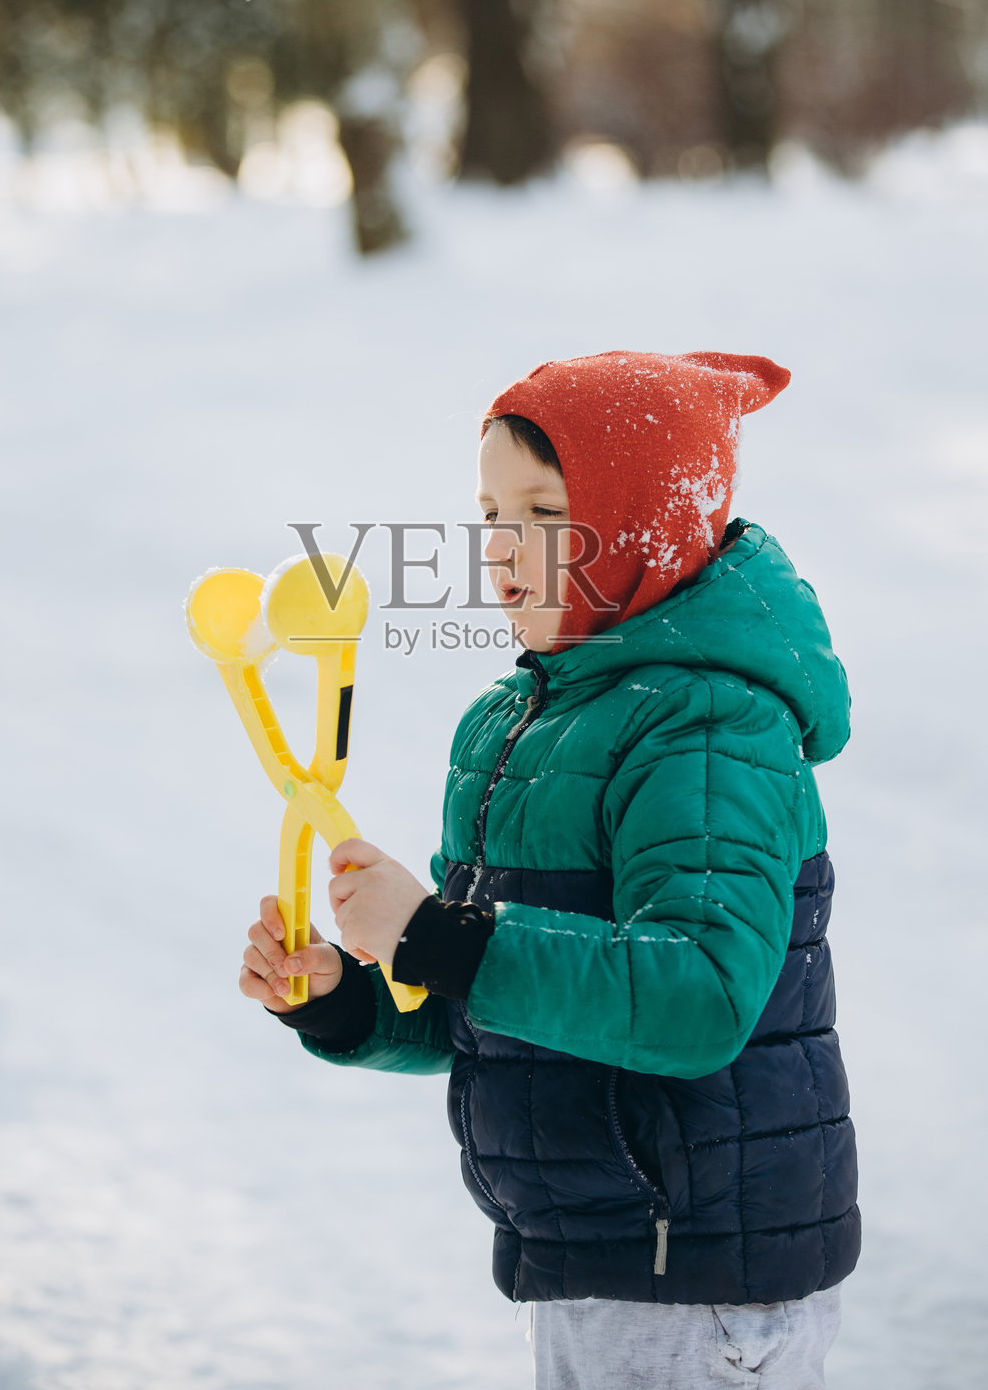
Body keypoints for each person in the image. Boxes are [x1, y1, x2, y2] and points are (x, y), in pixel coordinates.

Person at [239, 350, 859, 1389]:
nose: (501, 545)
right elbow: (485, 1006)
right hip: (596, 1253)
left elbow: (697, 996)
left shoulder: (707, 722)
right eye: (487, 513)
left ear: (638, 522)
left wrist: (431, 934)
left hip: (698, 1273)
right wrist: (346, 1000)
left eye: (540, 508)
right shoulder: (511, 722)